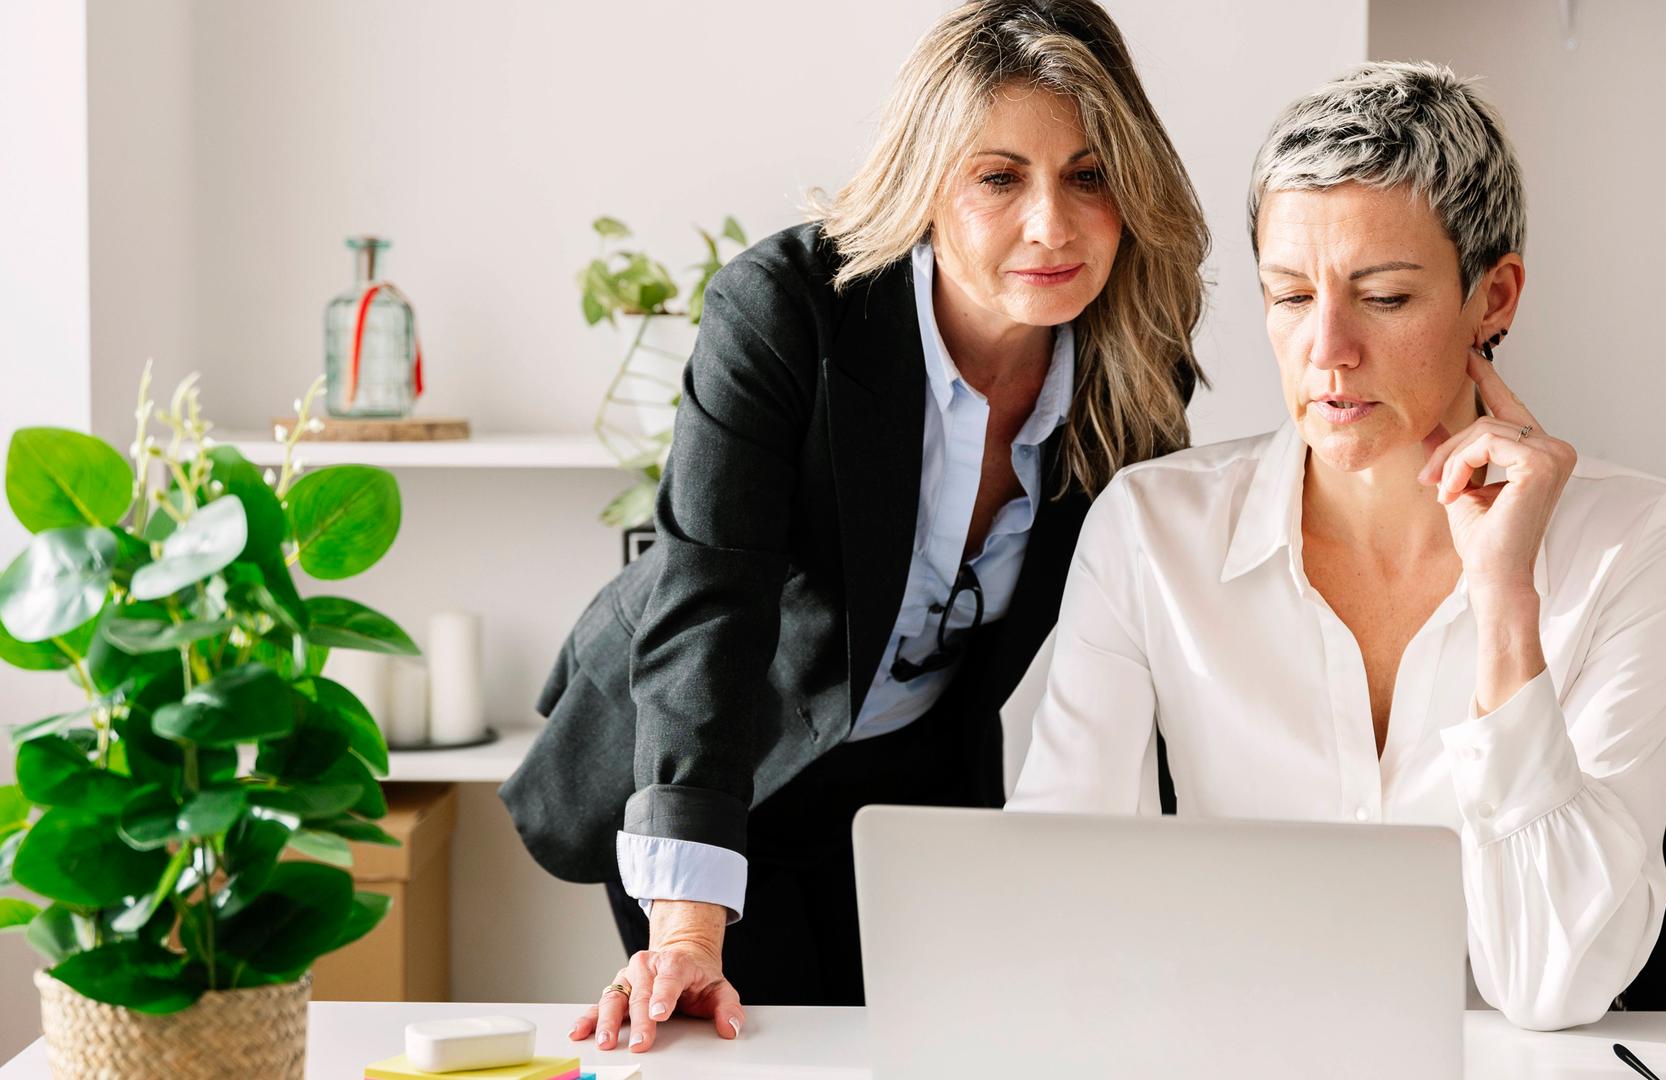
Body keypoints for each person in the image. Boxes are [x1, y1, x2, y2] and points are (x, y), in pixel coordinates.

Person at [497, 0, 1209, 1053]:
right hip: (718, 753)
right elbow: (710, 599)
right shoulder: (788, 309)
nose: (1052, 224)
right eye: (1000, 177)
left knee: (936, 1053)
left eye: (1091, 175)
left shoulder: (1136, 365)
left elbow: (1152, 631)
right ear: (927, 185)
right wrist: (689, 925)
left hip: (916, 787)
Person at [1007, 61, 1666, 1032]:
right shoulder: (1149, 533)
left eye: (1382, 298)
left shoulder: (1634, 539)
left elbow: (1553, 986)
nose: (1327, 349)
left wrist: (1506, 602)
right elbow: (1054, 903)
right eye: (1291, 297)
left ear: (1494, 297)